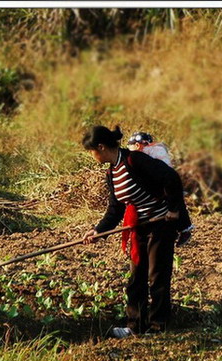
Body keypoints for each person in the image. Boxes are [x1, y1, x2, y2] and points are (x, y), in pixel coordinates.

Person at [81, 125, 192, 339]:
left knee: (157, 275)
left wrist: (174, 209)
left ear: (101, 147)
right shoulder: (112, 172)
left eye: (91, 151)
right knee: (137, 275)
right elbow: (115, 209)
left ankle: (158, 328)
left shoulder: (134, 161)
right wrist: (97, 231)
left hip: (161, 222)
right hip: (139, 226)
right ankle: (135, 326)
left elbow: (171, 178)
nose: (91, 155)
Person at [127, 131, 193, 247]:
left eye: (130, 147)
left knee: (175, 204)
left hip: (165, 183)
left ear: (137, 145)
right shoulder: (153, 151)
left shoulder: (147, 153)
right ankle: (178, 230)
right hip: (162, 183)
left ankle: (184, 230)